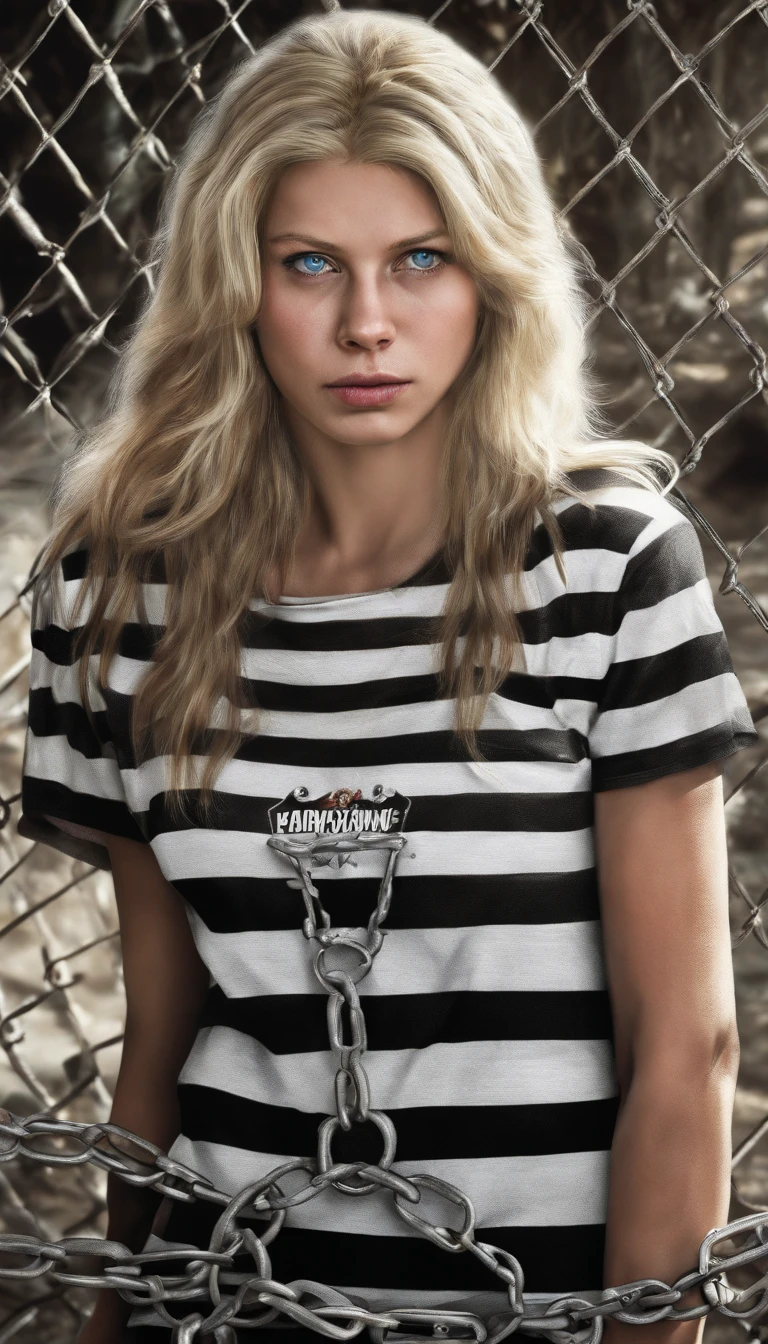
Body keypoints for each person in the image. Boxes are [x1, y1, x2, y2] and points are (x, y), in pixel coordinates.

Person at [17, 9, 758, 1344]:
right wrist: (101, 1311)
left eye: (421, 259)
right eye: (311, 265)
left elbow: (686, 1052)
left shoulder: (605, 574)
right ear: (238, 283)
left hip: (540, 1318)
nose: (369, 324)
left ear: (493, 276)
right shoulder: (122, 591)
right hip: (225, 1298)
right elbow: (163, 1027)